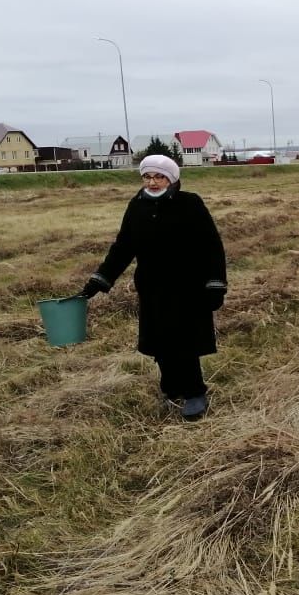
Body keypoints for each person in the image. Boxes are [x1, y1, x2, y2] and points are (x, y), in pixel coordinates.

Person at [78, 154, 227, 421]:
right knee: (160, 342)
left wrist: (215, 284)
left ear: (171, 179)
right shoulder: (136, 206)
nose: (153, 181)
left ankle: (194, 392)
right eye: (148, 176)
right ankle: (171, 389)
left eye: (159, 176)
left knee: (185, 342)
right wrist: (98, 281)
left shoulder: (189, 203)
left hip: (187, 288)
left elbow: (211, 246)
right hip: (152, 288)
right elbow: (123, 248)